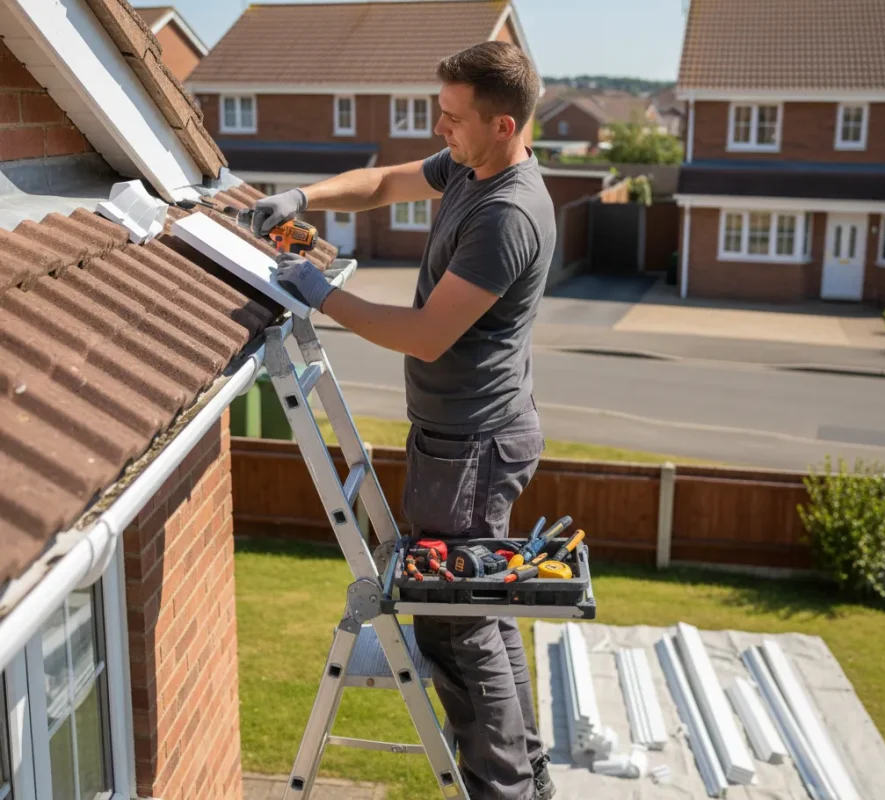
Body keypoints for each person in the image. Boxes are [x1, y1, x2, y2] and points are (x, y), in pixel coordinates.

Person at [250, 40, 557, 800]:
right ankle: (531, 775)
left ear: (504, 124)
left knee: (454, 625)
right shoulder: (473, 164)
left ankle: (504, 790)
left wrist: (320, 294)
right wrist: (305, 199)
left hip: (473, 446)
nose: (440, 128)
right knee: (479, 610)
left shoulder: (506, 214)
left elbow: (425, 333)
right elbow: (386, 181)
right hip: (465, 435)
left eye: (453, 117)